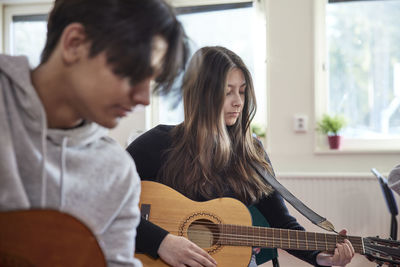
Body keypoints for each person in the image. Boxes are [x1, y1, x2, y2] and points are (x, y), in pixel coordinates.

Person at [127, 46, 355, 267]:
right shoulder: (157, 144)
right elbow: (104, 204)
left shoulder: (250, 152)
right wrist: (162, 242)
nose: (238, 101)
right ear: (200, 95)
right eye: (227, 92)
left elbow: (282, 223)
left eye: (242, 91)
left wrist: (320, 257)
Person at [0, 0, 188, 266]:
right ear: (74, 43)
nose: (144, 98)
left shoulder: (116, 171)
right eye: (132, 73)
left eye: (151, 80)